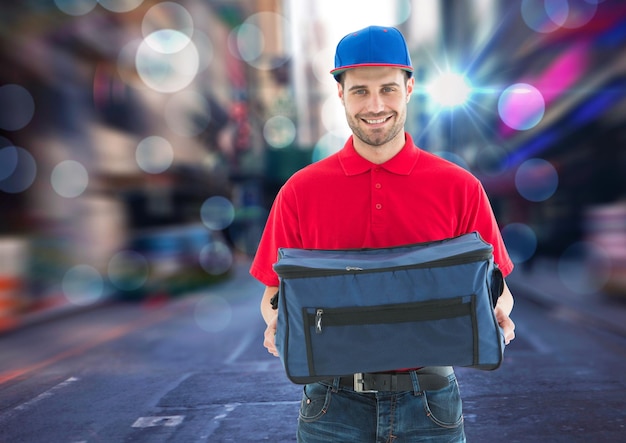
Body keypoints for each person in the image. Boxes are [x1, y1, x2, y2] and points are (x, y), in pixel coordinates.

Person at [250, 25, 516, 443]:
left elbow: (496, 285)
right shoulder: (299, 192)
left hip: (430, 404)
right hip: (330, 406)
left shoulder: (460, 187)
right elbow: (273, 295)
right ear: (340, 94)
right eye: (359, 91)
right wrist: (276, 323)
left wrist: (500, 312)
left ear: (410, 88)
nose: (375, 106)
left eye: (388, 89)